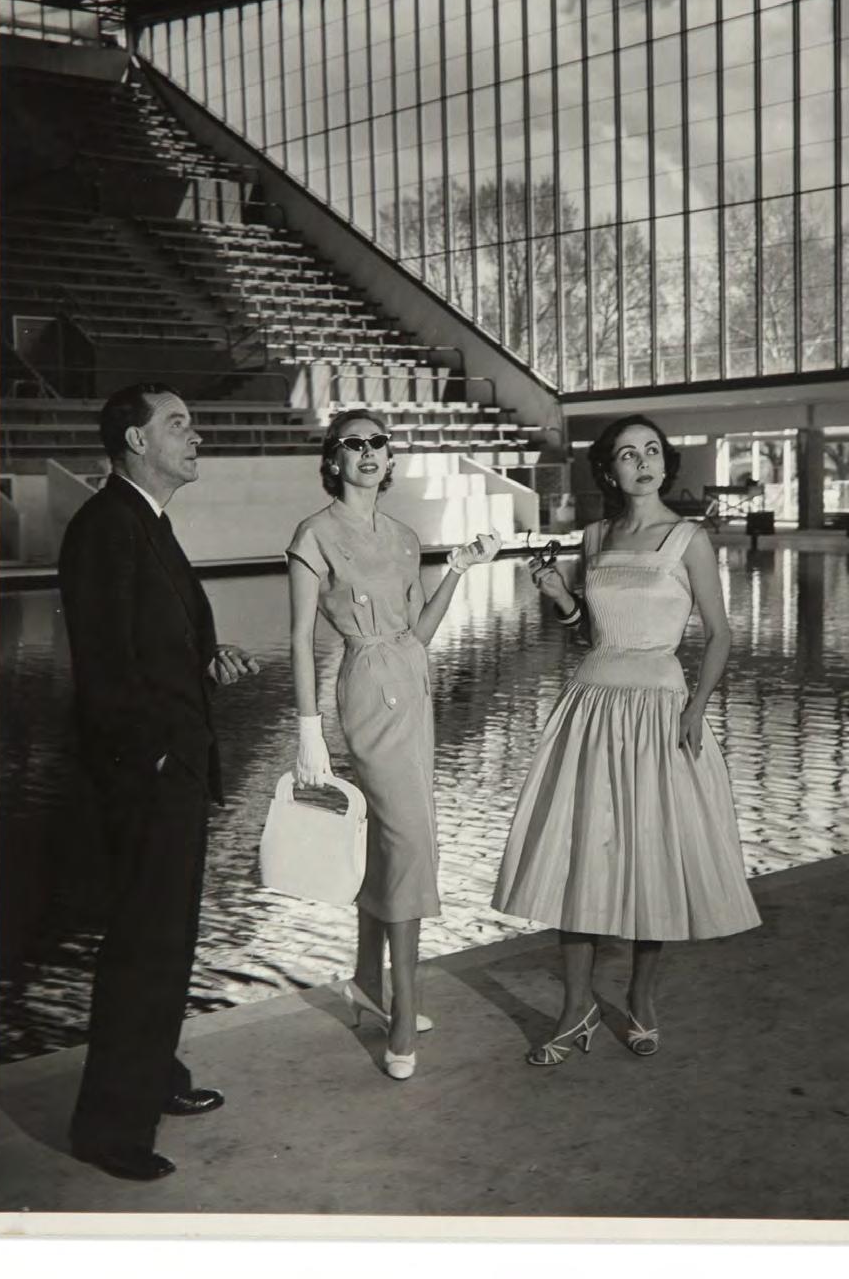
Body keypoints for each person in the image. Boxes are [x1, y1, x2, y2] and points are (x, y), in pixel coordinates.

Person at [493, 415, 760, 1064]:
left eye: (651, 451)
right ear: (609, 471)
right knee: (580, 854)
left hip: (659, 711)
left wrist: (696, 708)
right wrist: (560, 597)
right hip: (590, 708)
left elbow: (719, 634)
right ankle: (576, 1008)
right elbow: (592, 633)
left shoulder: (689, 538)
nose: (642, 463)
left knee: (651, 855)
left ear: (665, 463)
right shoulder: (595, 536)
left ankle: (640, 997)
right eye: (627, 454)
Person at [58, 383, 259, 1180]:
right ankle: (108, 1130)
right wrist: (156, 759)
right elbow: (104, 670)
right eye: (178, 424)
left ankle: (155, 1076)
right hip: (147, 776)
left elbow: (151, 645)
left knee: (167, 939)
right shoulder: (105, 527)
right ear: (136, 441)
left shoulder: (146, 521)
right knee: (143, 945)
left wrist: (207, 662)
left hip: (171, 766)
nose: (195, 435)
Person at [287, 410, 499, 1080]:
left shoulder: (406, 538)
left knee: (391, 840)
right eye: (354, 444)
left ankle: (365, 981)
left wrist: (458, 569)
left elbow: (418, 634)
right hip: (366, 689)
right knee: (409, 843)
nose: (369, 452)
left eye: (379, 442)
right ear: (334, 459)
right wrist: (308, 729)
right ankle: (404, 1011)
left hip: (413, 682)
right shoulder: (315, 534)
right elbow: (299, 639)